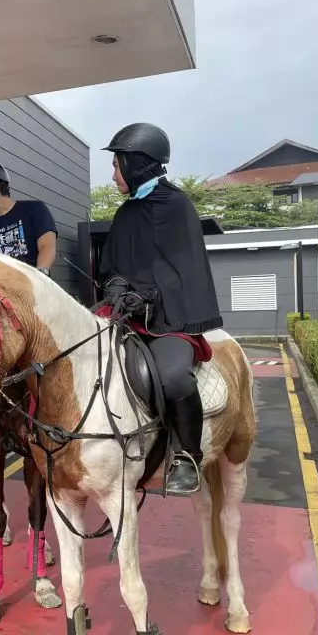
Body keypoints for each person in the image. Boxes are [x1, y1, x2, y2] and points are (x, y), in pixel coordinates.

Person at [99, 123, 223, 495]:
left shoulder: (179, 206)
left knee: (173, 377)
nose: (114, 172)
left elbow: (184, 272)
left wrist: (150, 296)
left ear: (138, 163)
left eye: (117, 163)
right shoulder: (125, 215)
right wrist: (118, 287)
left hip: (170, 321)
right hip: (124, 317)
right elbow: (111, 268)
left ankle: (187, 455)